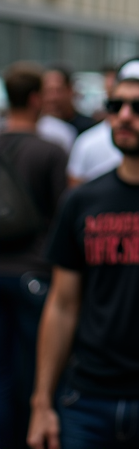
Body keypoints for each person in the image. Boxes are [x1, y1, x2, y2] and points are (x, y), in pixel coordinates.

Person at [27, 57, 139, 449]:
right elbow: (62, 303)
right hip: (87, 398)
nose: (124, 116)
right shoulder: (83, 199)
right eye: (115, 105)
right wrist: (42, 402)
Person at [0, 63, 68, 448]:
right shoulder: (51, 151)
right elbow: (65, 217)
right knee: (36, 371)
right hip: (35, 275)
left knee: (2, 374)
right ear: (36, 98)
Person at [42, 67, 97, 136]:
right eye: (47, 91)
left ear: (70, 90)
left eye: (59, 90)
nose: (53, 98)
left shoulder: (89, 129)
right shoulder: (35, 128)